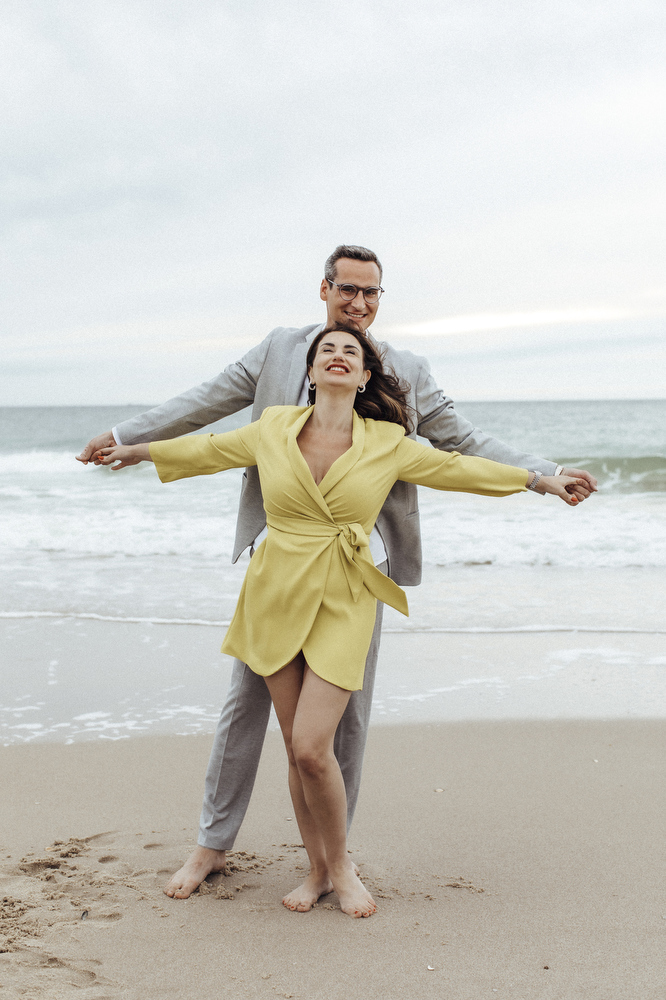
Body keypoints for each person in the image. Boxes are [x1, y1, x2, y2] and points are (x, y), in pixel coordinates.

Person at [76, 245, 597, 901]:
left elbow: (460, 449)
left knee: (336, 725)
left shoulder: (403, 370)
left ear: (381, 300)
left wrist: (541, 474)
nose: (359, 302)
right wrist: (127, 437)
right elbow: (205, 414)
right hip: (281, 565)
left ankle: (328, 861)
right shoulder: (278, 354)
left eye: (372, 293)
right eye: (348, 288)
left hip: (355, 569)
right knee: (246, 707)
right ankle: (213, 844)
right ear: (323, 288)